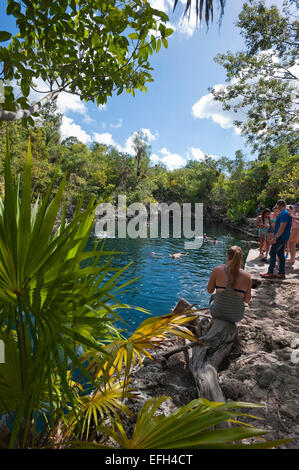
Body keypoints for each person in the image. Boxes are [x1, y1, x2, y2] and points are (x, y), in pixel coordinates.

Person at [207, 246, 252, 323]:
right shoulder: (247, 276)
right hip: (236, 316)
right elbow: (247, 300)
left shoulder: (217, 269)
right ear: (240, 258)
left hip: (217, 313)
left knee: (214, 295)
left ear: (227, 256)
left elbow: (209, 290)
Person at [261, 199, 292, 280]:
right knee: (281, 255)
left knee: (272, 253)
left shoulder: (284, 214)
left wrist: (275, 238)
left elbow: (282, 227)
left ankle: (270, 273)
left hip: (280, 238)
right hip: (283, 237)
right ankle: (281, 273)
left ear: (278, 205)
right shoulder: (285, 213)